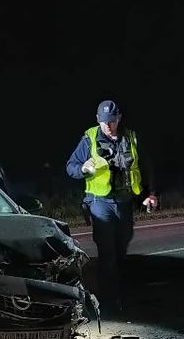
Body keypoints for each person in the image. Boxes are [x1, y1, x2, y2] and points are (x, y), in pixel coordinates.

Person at [66, 100, 157, 315]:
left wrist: (149, 194)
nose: (108, 126)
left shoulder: (132, 137)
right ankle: (108, 305)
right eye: (104, 121)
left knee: (121, 250)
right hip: (100, 203)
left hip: (125, 203)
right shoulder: (89, 138)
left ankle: (119, 293)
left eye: (112, 121)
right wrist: (83, 168)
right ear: (98, 120)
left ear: (119, 118)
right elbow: (70, 167)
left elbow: (145, 166)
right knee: (107, 252)